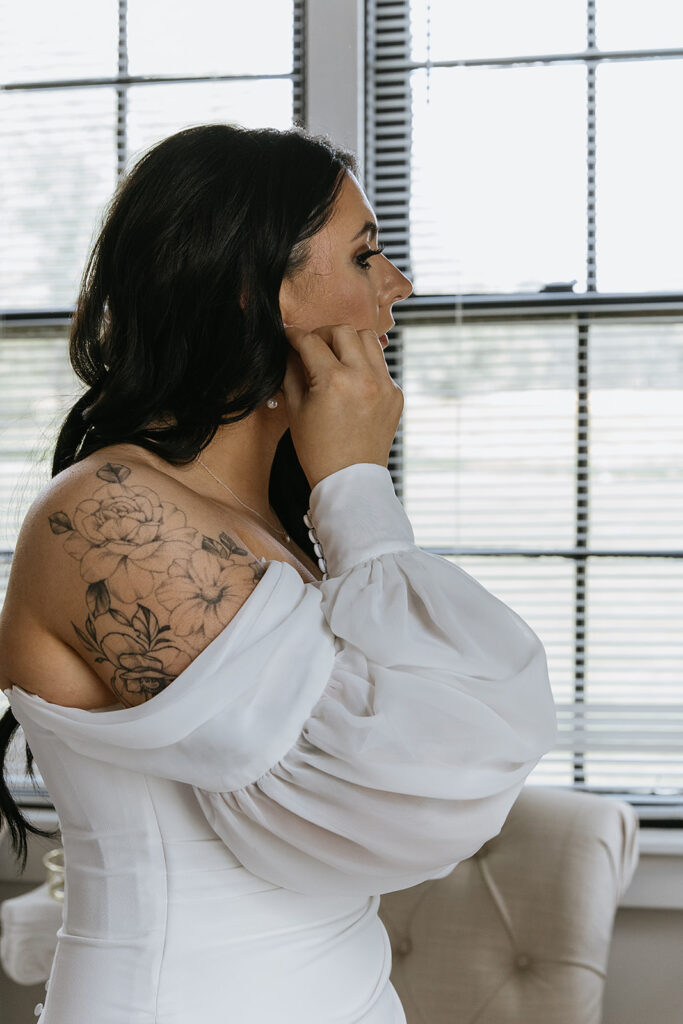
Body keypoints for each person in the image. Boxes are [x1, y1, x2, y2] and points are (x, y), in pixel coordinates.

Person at [0, 123, 556, 1023]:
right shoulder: (105, 515)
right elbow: (408, 796)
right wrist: (357, 489)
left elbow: (467, 749)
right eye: (366, 256)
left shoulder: (266, 523)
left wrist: (341, 496)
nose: (398, 289)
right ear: (255, 295)